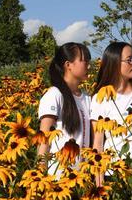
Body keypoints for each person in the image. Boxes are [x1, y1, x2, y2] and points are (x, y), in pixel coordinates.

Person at [36, 42, 101, 178]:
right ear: (68, 65)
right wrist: (40, 176)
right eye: (84, 61)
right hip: (58, 178)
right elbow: (44, 139)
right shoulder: (54, 95)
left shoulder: (87, 99)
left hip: (81, 178)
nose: (89, 66)